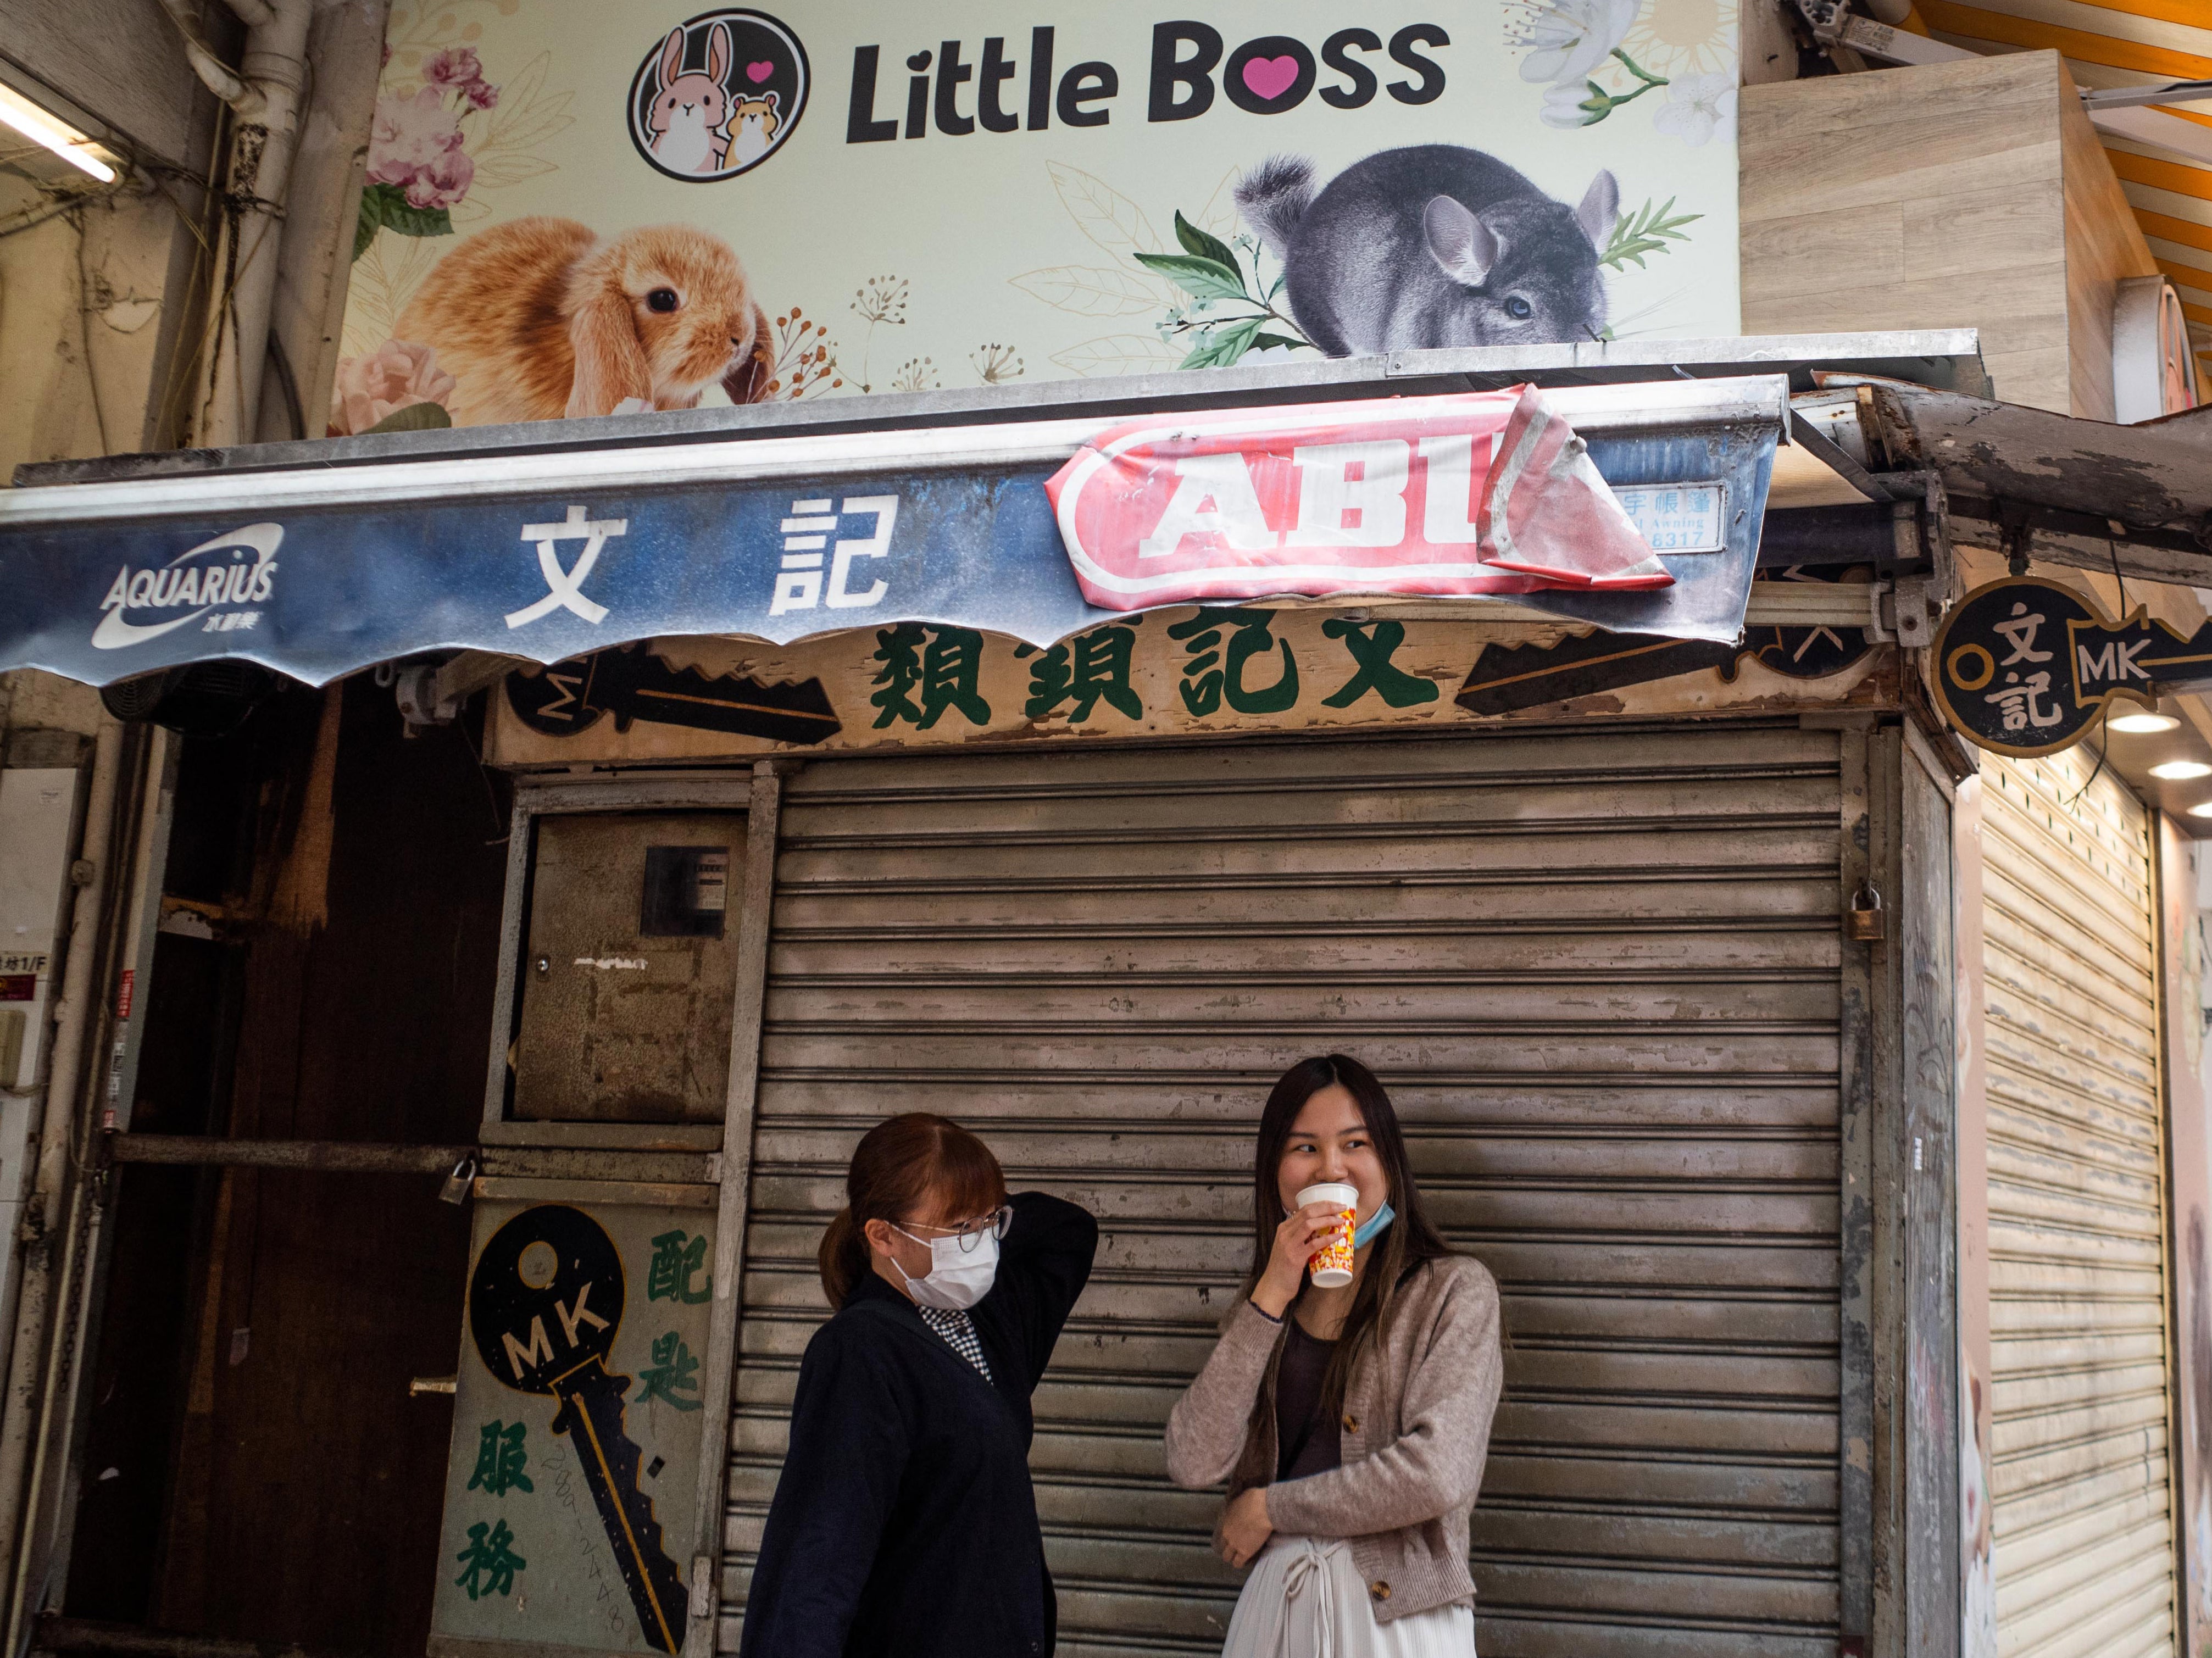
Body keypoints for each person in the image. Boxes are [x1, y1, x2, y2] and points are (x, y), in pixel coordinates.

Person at [1166, 1054, 1503, 1657]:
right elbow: (1193, 1460)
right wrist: (1270, 1293)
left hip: (1399, 1624)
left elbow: (1437, 1472)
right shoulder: (1262, 1310)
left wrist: (1271, 1507)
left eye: (1355, 1143)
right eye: (1304, 1148)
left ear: (1389, 1164)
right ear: (1275, 1172)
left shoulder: (1452, 1291)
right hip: (1278, 1611)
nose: (1332, 1167)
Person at [738, 1111, 1098, 1658]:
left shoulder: (987, 1321)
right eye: (958, 1230)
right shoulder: (861, 1352)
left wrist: (980, 1206)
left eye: (988, 1224)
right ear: (882, 1236)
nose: (981, 1247)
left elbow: (1070, 1232)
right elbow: (819, 1554)